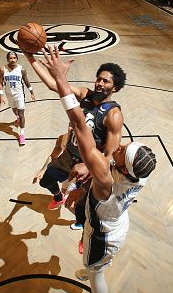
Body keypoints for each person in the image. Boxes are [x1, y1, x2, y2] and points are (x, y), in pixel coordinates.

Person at [35, 45, 156, 293]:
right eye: (98, 78)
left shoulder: (105, 169)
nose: (121, 146)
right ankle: (90, 262)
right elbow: (61, 93)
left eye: (124, 150)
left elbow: (80, 125)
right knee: (81, 214)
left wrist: (89, 165)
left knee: (94, 263)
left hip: (102, 227)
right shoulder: (137, 177)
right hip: (113, 219)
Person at [23, 51, 124, 211]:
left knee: (78, 206)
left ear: (115, 88)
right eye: (99, 79)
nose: (100, 83)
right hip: (69, 156)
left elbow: (111, 155)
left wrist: (89, 167)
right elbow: (53, 84)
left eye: (106, 81)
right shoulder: (85, 95)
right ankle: (58, 197)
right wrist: (29, 57)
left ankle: (83, 223)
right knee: (45, 181)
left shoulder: (114, 114)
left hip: (88, 163)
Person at [0, 51, 36, 145]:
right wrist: (0, 96)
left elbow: (26, 81)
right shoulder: (2, 69)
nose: (13, 60)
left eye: (14, 58)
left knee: (22, 113)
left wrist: (31, 92)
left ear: (17, 59)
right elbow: (0, 83)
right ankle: (17, 118)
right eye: (10, 58)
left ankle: (22, 134)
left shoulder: (21, 69)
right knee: (14, 110)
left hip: (19, 95)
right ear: (7, 59)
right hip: (9, 94)